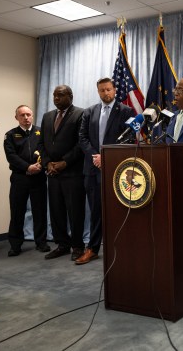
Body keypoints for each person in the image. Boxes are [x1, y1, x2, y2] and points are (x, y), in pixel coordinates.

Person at [78, 77, 135, 265]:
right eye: (102, 90)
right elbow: (82, 137)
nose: (106, 93)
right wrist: (96, 156)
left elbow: (128, 138)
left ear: (114, 90)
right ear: (98, 91)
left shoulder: (126, 111)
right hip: (92, 170)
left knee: (118, 210)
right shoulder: (89, 112)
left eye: (109, 89)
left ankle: (121, 249)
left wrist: (107, 156)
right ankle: (93, 248)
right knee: (95, 211)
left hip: (116, 169)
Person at [38, 85, 86, 261]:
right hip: (53, 173)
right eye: (54, 95)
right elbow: (41, 143)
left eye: (60, 95)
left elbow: (81, 143)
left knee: (75, 212)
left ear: (70, 96)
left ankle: (78, 246)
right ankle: (62, 245)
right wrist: (47, 163)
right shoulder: (47, 116)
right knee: (56, 211)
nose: (56, 98)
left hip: (72, 172)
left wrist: (64, 162)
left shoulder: (80, 114)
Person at [4, 105, 49, 256]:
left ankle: (41, 242)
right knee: (17, 212)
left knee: (40, 211)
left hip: (39, 177)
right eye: (22, 115)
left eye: (28, 114)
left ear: (32, 116)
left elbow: (47, 151)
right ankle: (15, 245)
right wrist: (27, 167)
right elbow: (11, 156)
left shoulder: (41, 132)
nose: (26, 117)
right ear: (16, 117)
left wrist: (40, 166)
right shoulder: (10, 135)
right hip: (19, 178)